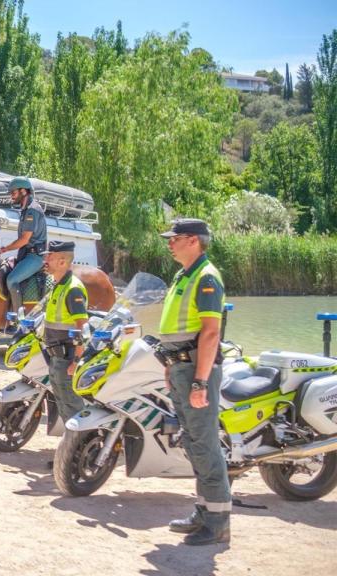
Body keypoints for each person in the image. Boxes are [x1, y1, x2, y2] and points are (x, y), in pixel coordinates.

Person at [159, 218, 231, 546]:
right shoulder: (184, 275)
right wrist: (170, 364)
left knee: (204, 444)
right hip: (181, 368)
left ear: (193, 241)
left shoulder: (206, 277)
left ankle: (217, 524)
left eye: (174, 239)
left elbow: (210, 333)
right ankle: (204, 511)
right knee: (192, 443)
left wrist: (200, 381)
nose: (169, 244)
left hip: (195, 371)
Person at [39, 241, 88, 424]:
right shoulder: (57, 285)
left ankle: (80, 440)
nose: (45, 260)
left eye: (49, 256)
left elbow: (82, 326)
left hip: (67, 360)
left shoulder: (72, 288)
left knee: (72, 408)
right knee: (64, 408)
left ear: (62, 262)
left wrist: (76, 361)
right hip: (56, 358)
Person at [0, 177, 48, 314]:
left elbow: (25, 239)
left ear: (24, 191)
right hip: (26, 254)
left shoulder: (32, 210)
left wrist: (5, 249)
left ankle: (18, 319)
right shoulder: (25, 210)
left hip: (35, 256)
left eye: (13, 193)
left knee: (12, 280)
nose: (11, 196)